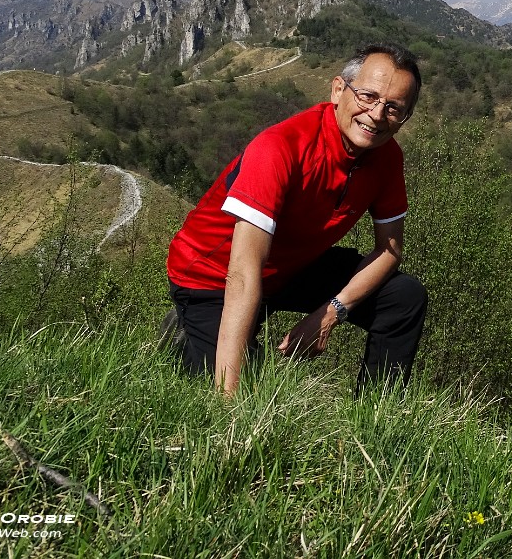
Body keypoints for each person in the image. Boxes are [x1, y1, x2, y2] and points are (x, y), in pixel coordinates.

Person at [164, 43, 427, 396]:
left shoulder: (386, 157)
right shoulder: (279, 148)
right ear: (338, 90)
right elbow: (242, 273)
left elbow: (390, 250)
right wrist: (230, 406)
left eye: (394, 108)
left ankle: (377, 417)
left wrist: (329, 314)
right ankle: (186, 329)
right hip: (212, 276)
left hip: (289, 267)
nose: (377, 114)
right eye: (367, 96)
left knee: (404, 295)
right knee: (251, 391)